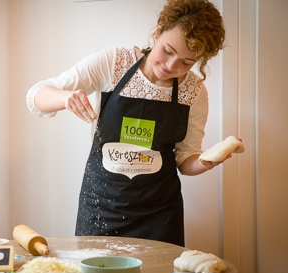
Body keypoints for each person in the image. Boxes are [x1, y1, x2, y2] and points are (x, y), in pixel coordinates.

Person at [26, 0, 227, 246]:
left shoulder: (194, 91)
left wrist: (209, 159)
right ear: (158, 30)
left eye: (186, 62)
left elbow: (186, 161)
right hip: (101, 207)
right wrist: (66, 97)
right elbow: (37, 95)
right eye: (168, 50)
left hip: (159, 215)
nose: (171, 66)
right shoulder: (114, 63)